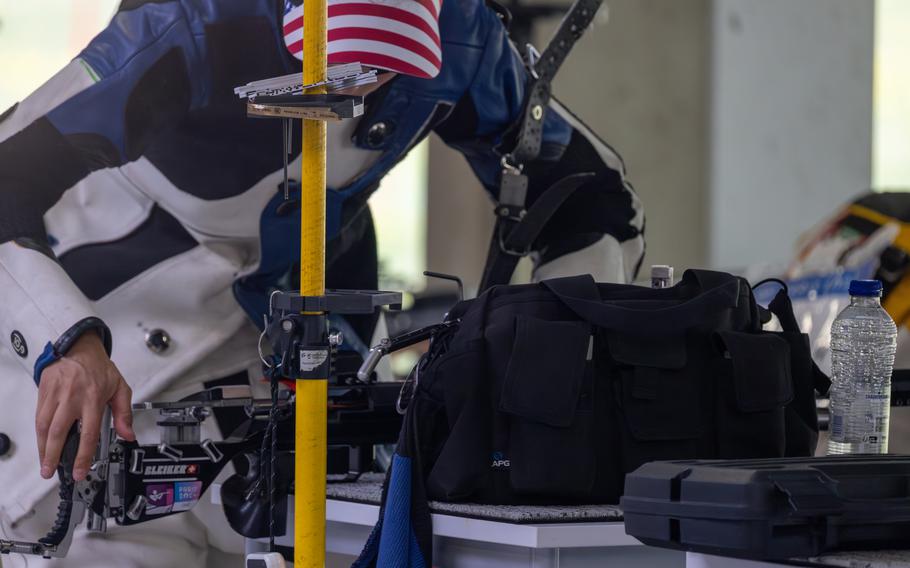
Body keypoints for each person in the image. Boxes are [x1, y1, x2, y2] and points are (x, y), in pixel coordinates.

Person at [0, 0, 644, 565]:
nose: (357, 97)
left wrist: (552, 374)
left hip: (289, 377)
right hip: (97, 336)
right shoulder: (188, 26)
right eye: (338, 65)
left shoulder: (462, 36)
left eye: (387, 65)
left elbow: (595, 202)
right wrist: (65, 339)